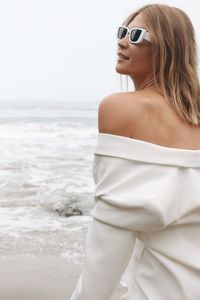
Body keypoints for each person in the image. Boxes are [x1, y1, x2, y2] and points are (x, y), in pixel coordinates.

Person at [70, 3, 200, 300]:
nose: (123, 40)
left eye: (137, 34)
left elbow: (110, 236)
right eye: (122, 31)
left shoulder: (121, 108)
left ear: (167, 46)